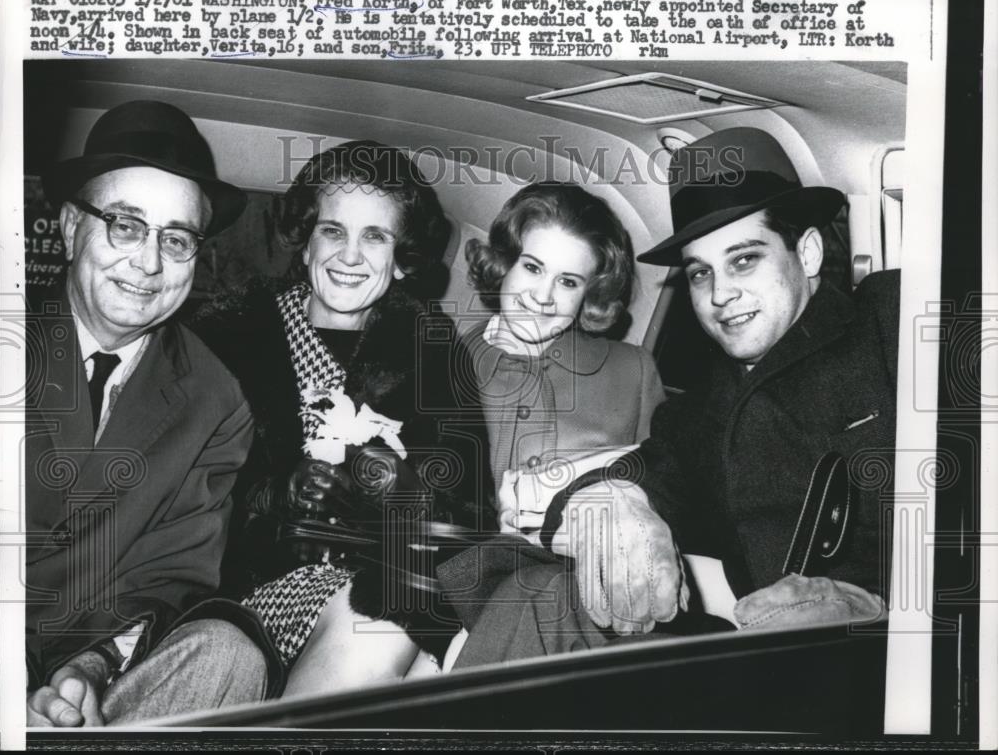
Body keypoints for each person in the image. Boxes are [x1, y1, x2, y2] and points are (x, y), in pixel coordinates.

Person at [447, 127, 897, 666]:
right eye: (700, 272)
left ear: (807, 250)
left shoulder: (888, 317)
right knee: (539, 596)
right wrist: (610, 502)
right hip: (753, 652)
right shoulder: (700, 411)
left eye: (744, 259)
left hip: (894, 646)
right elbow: (646, 472)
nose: (719, 292)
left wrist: (887, 606)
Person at [190, 140, 494, 697]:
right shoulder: (226, 342)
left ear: (401, 261)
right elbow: (185, 506)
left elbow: (472, 517)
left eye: (374, 236)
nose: (350, 255)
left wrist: (401, 490)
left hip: (388, 582)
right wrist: (275, 496)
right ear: (305, 244)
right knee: (383, 623)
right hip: (246, 592)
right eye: (333, 230)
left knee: (421, 623)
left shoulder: (433, 352)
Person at [26, 100, 266, 726]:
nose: (149, 263)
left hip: (81, 683)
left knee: (231, 655)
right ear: (70, 226)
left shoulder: (218, 400)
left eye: (176, 239)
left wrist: (89, 666)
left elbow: (171, 572)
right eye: (126, 226)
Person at [435, 183, 666, 655]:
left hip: (603, 610)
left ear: (591, 294)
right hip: (470, 603)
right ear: (504, 263)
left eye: (568, 282)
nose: (542, 297)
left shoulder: (633, 370)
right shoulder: (443, 365)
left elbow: (672, 487)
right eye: (533, 267)